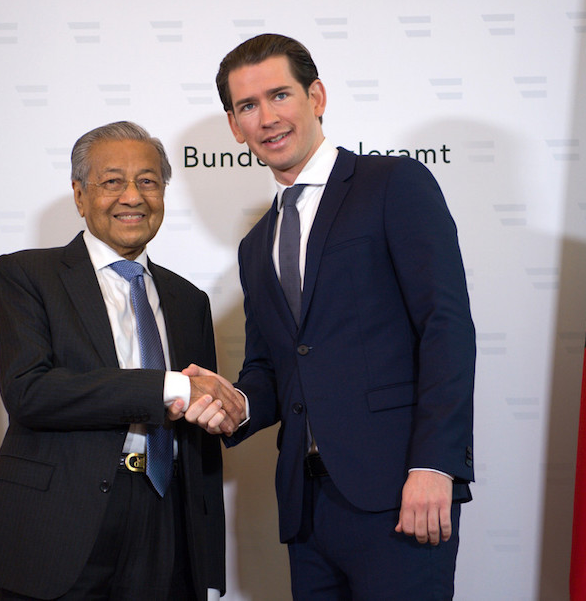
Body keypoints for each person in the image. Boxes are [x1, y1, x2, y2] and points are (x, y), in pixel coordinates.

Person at [185, 34, 475, 600]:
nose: (267, 118)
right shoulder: (255, 245)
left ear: (316, 96)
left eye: (280, 95)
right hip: (307, 509)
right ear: (233, 126)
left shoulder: (393, 184)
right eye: (248, 106)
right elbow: (273, 367)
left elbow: (446, 327)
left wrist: (436, 466)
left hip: (399, 492)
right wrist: (236, 404)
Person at [0, 121, 245, 600]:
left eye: (149, 181)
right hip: (61, 523)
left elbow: (198, 430)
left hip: (167, 521)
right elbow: (30, 393)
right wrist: (169, 388)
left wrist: (226, 406)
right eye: (112, 181)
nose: (132, 196)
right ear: (79, 195)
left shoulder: (187, 299)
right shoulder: (27, 274)